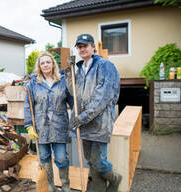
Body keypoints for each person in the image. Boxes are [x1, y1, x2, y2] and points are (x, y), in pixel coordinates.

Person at [69, 33, 121, 192]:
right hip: (84, 124)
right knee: (90, 161)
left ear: (93, 47)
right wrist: (68, 71)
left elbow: (102, 98)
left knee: (99, 161)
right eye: (79, 46)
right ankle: (98, 189)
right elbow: (73, 92)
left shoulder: (105, 66)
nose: (82, 49)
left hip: (99, 123)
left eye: (85, 46)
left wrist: (83, 117)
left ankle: (115, 178)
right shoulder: (79, 69)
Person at [24, 52, 73, 192]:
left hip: (60, 126)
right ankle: (50, 186)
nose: (45, 65)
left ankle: (65, 186)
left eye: (48, 62)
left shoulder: (62, 80)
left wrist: (78, 116)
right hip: (41, 127)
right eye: (42, 63)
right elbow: (28, 106)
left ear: (53, 64)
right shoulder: (33, 84)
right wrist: (29, 126)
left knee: (62, 157)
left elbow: (72, 101)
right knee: (44, 158)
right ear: (39, 66)